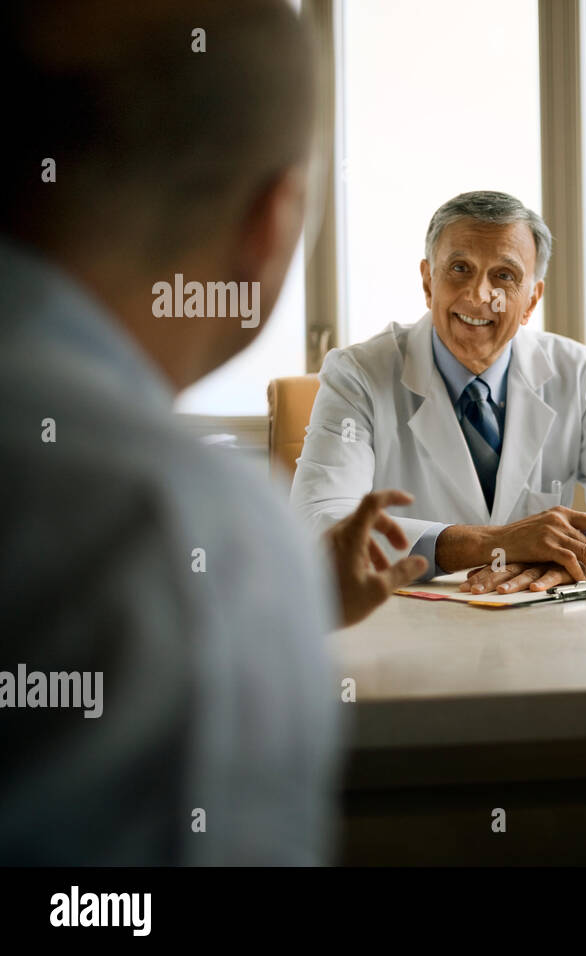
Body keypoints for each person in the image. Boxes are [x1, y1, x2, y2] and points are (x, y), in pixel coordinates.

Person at [0, 0, 423, 864]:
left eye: (505, 278)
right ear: (274, 220)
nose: (481, 298)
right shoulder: (178, 525)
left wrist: (294, 604)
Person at [290, 190, 586, 596]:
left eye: (504, 275)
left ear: (531, 300)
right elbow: (320, 521)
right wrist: (493, 544)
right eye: (460, 268)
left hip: (535, 626)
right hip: (407, 624)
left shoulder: (577, 372)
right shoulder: (357, 374)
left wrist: (577, 550)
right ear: (428, 281)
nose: (478, 295)